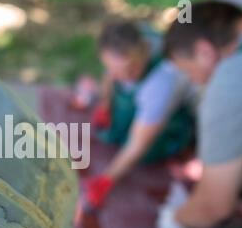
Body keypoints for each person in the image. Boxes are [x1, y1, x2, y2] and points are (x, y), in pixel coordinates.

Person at [154, 0, 242, 228]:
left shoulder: (231, 81)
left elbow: (214, 208)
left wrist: (175, 217)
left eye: (189, 72)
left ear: (204, 51)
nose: (194, 81)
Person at [84, 21, 196, 210]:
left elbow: (138, 143)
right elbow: (110, 75)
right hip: (142, 101)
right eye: (114, 69)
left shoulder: (163, 82)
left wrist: (106, 180)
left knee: (144, 153)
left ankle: (179, 148)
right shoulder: (123, 43)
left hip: (172, 120)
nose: (120, 76)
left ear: (144, 51)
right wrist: (104, 105)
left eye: (130, 69)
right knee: (113, 130)